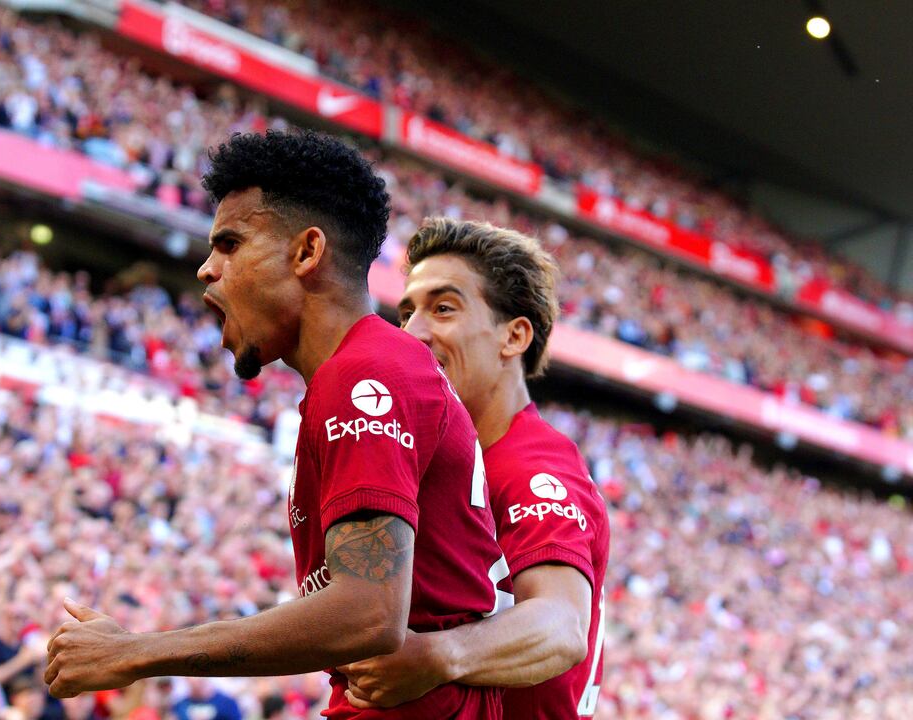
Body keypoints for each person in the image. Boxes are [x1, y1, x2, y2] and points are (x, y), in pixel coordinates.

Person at [44, 130, 511, 718]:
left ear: (306, 253)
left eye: (231, 244)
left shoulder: (365, 374)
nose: (206, 269)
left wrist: (136, 652)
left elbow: (368, 611)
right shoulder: (364, 371)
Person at [340, 218, 610, 718]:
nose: (412, 332)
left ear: (514, 337)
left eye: (443, 309)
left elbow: (561, 625)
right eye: (407, 312)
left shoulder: (530, 467)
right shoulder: (451, 459)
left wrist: (440, 656)